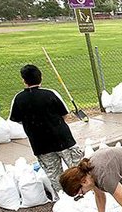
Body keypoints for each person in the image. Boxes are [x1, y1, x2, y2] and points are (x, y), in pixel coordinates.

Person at [8, 64, 83, 195]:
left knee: (54, 174)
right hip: (63, 140)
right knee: (76, 169)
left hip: (40, 144)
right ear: (40, 78)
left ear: (24, 80)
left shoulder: (18, 98)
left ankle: (63, 197)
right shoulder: (50, 94)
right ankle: (82, 193)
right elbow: (65, 114)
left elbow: (16, 119)